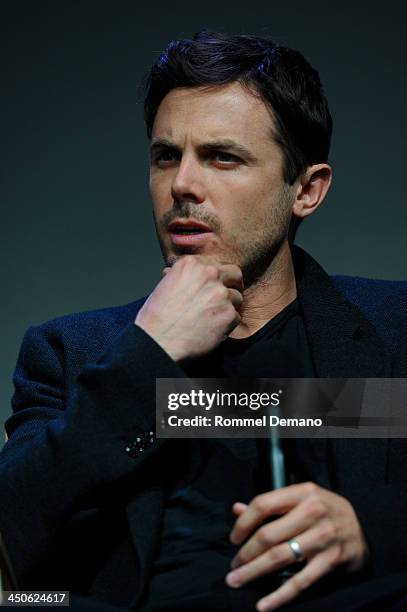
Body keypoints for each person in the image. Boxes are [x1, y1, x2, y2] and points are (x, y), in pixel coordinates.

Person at [1, 30, 407, 612]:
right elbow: (12, 529)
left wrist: (367, 524)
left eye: (223, 157)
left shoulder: (396, 328)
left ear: (307, 190)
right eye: (166, 156)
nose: (183, 185)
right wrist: (148, 354)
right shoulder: (69, 351)